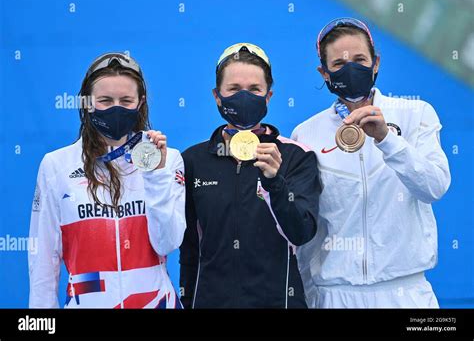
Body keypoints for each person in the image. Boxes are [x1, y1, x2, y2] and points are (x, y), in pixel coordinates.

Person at [291, 18, 451, 308]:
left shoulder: (416, 114)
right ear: (324, 73)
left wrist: (387, 140)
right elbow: (308, 229)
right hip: (335, 294)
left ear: (375, 63)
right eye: (338, 64)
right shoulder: (306, 133)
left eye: (360, 59)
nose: (351, 68)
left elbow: (434, 187)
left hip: (406, 292)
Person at [29, 52, 186, 308]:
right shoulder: (56, 165)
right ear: (87, 103)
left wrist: (155, 175)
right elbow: (43, 262)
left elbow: (167, 243)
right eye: (105, 100)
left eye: (126, 100)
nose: (116, 108)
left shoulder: (168, 160)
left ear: (141, 103)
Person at [179, 43, 320, 308]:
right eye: (233, 89)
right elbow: (188, 249)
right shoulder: (193, 161)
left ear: (268, 97)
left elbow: (302, 233)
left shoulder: (295, 157)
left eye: (255, 90)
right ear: (217, 96)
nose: (244, 97)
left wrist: (274, 183)